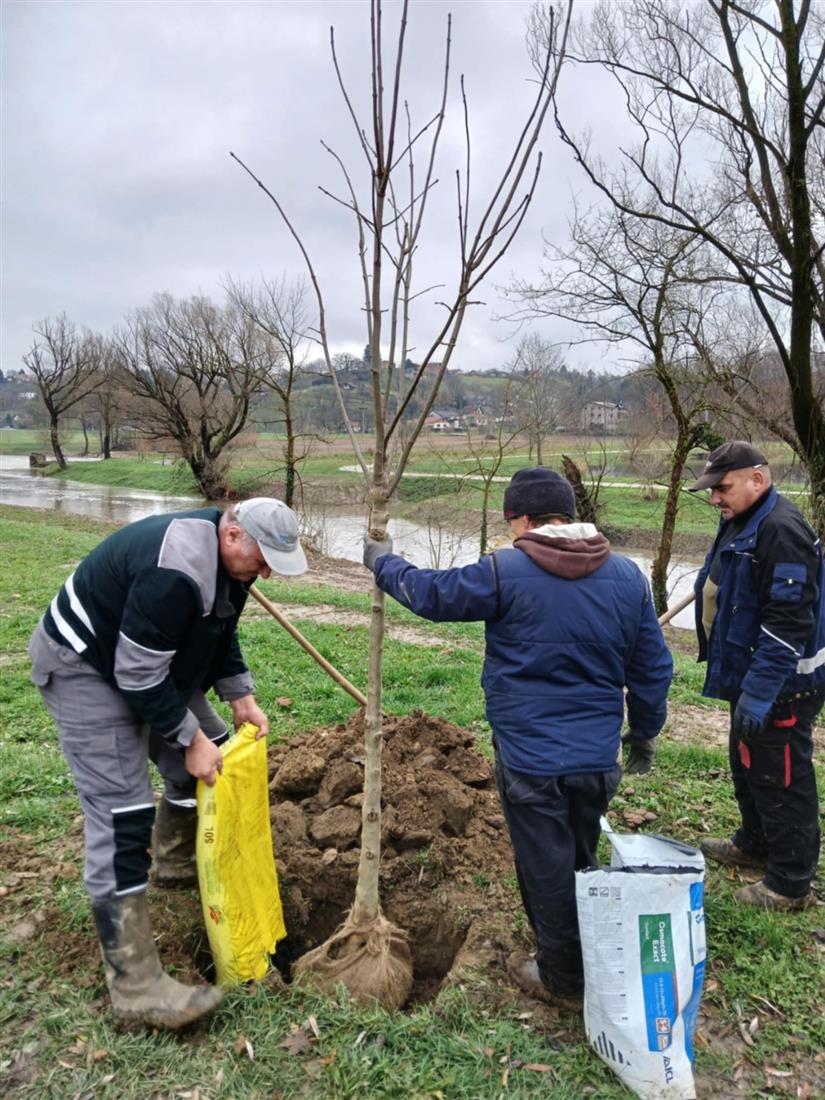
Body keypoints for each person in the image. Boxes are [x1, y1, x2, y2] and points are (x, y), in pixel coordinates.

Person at [363, 467, 672, 1003]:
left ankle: (563, 979)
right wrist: (643, 732)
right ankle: (587, 949)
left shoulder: (505, 570)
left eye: (510, 523)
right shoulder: (627, 578)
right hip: (597, 758)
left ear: (523, 520)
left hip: (532, 760)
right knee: (580, 852)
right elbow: (653, 669)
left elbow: (432, 596)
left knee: (545, 868)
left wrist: (382, 562)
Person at [28, 497, 307, 1028]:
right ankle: (135, 989)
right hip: (88, 664)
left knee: (216, 754)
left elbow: (221, 628)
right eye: (263, 559)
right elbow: (134, 676)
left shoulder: (232, 562)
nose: (267, 571)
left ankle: (177, 862)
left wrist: (239, 694)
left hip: (148, 661)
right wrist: (187, 736)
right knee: (122, 812)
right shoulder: (173, 571)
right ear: (232, 537)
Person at [689, 441, 825, 910]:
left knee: (781, 776)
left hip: (783, 684)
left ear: (758, 479)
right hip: (748, 674)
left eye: (722, 489)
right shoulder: (741, 519)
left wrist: (761, 692)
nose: (714, 499)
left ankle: (790, 884)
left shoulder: (782, 531)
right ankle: (755, 842)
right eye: (711, 490)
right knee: (747, 765)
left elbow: (788, 625)